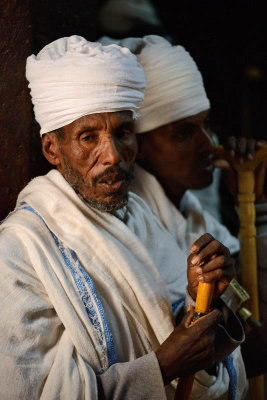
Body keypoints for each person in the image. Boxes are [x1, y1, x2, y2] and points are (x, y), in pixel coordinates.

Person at [0, 35, 247, 400]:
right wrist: (161, 368)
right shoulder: (19, 252)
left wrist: (200, 301)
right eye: (88, 137)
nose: (113, 155)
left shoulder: (139, 216)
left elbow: (192, 343)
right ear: (53, 149)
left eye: (123, 133)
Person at [99, 34, 267, 380]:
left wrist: (255, 202)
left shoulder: (192, 216)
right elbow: (200, 363)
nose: (210, 144)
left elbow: (254, 305)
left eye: (207, 124)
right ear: (136, 145)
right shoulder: (129, 231)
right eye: (184, 133)